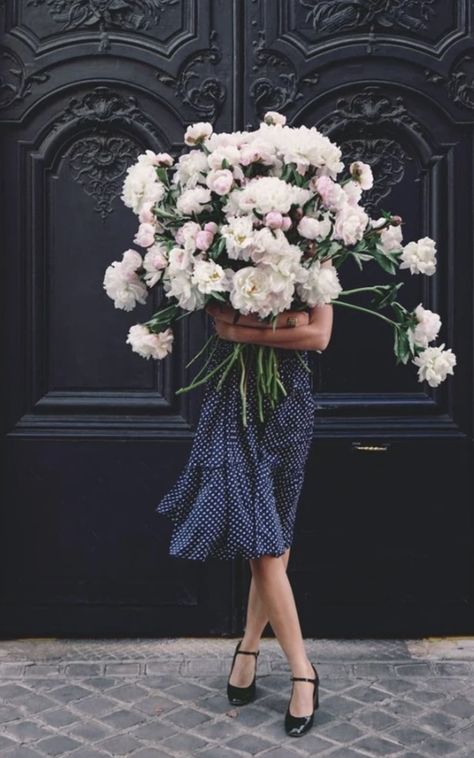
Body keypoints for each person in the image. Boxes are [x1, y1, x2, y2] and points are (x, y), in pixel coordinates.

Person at [155, 263, 334, 737]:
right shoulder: (220, 253)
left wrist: (246, 331)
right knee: (262, 542)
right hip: (232, 397)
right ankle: (303, 672)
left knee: (277, 533)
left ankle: (249, 648)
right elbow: (219, 321)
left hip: (290, 401)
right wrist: (281, 325)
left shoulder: (316, 253)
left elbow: (318, 336)